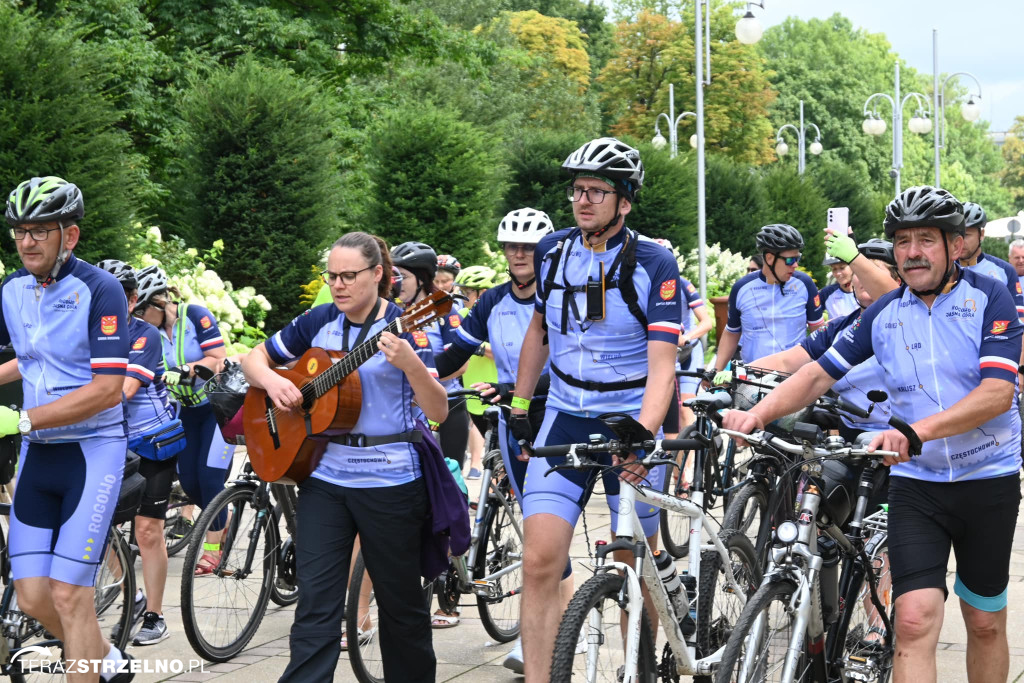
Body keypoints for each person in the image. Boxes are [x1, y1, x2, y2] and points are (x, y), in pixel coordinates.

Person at [723, 186, 1023, 683]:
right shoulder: (883, 314)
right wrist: (757, 413)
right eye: (903, 241)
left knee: (984, 622)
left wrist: (915, 430)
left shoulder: (988, 296)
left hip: (985, 480)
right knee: (911, 619)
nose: (912, 252)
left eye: (927, 239)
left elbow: (996, 393)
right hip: (917, 486)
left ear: (954, 247)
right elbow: (817, 373)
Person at [509, 138, 682, 681]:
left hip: (631, 414)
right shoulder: (554, 251)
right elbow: (539, 328)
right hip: (566, 411)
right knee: (539, 560)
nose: (583, 200)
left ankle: (642, 670)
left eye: (597, 191)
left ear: (625, 200)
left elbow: (663, 365)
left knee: (636, 562)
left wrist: (644, 432)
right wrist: (519, 402)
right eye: (577, 190)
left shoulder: (654, 261)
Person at [243, 232, 446, 682]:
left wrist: (412, 365)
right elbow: (251, 359)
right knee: (315, 602)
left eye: (349, 276)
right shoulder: (319, 320)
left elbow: (438, 411)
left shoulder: (407, 323)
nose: (338, 285)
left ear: (378, 274)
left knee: (400, 607)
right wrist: (273, 384)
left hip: (391, 482)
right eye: (332, 276)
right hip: (326, 479)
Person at [2, 176, 135, 681]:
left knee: (70, 594)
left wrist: (24, 418)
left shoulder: (99, 290)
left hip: (92, 451)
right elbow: (22, 357)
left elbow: (106, 389)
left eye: (39, 230)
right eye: (19, 231)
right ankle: (107, 658)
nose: (26, 242)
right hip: (40, 455)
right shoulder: (11, 290)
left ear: (69, 236)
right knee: (34, 596)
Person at [98, 260, 185, 647]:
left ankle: (154, 613)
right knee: (102, 529)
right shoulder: (86, 333)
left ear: (132, 300)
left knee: (147, 530)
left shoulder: (143, 335)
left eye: (114, 296)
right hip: (110, 441)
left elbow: (122, 393)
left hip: (151, 442)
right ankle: (130, 594)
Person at [133, 266, 235, 576]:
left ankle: (214, 550)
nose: (136, 317)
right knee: (189, 483)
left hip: (218, 408)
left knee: (210, 479)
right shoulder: (146, 332)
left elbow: (217, 357)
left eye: (140, 309)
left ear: (159, 302)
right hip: (187, 411)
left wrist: (189, 369)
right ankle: (223, 519)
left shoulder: (195, 315)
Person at [390, 240, 468, 629]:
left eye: (400, 276)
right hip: (406, 414)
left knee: (448, 495)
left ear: (420, 279)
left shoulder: (446, 310)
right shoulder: (392, 313)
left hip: (446, 407)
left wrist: (424, 375)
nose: (393, 282)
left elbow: (458, 360)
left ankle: (449, 596)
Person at [713, 223, 824, 376]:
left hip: (794, 377)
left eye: (797, 258)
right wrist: (715, 371)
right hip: (752, 377)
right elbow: (732, 332)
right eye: (790, 260)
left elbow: (818, 331)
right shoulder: (742, 288)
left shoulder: (805, 284)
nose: (796, 265)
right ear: (770, 258)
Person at [452, 265, 502, 481]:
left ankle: (494, 491)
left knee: (501, 454)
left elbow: (504, 352)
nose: (463, 297)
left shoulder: (500, 315)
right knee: (492, 455)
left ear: (483, 293)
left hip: (499, 393)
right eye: (461, 291)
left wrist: (475, 346)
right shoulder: (462, 315)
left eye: (468, 292)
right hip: (472, 395)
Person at [958, 202, 1024, 323]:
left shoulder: (1005, 270)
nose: (960, 241)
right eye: (955, 235)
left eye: (966, 235)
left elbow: (1019, 318)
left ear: (981, 235)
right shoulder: (944, 269)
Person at [819, 254, 858, 319]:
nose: (838, 273)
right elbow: (812, 314)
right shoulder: (827, 293)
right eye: (834, 269)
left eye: (842, 268)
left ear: (853, 267)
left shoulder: (866, 291)